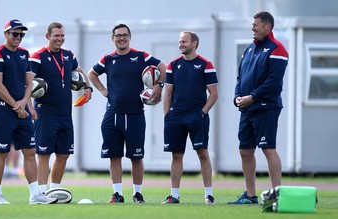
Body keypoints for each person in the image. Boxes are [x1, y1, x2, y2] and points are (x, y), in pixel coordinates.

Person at [87, 23, 166, 204]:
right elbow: (92, 74)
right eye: (118, 35)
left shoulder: (141, 56)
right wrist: (103, 91)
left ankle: (137, 194)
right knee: (114, 156)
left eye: (124, 35)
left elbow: (164, 68)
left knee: (136, 156)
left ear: (130, 37)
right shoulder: (108, 59)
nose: (121, 38)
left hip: (135, 114)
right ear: (112, 38)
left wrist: (158, 85)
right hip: (112, 115)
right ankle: (117, 194)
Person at [0, 19, 57, 205]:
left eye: (21, 34)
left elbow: (30, 83)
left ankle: (34, 195)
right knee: (2, 152)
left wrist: (24, 103)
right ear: (6, 34)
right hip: (3, 111)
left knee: (30, 150)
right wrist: (16, 105)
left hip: (22, 111)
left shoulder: (25, 54)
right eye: (15, 34)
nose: (18, 37)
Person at [228, 11, 289, 204]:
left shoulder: (277, 49)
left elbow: (274, 82)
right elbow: (241, 76)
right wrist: (237, 96)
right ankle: (250, 195)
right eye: (252, 25)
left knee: (268, 148)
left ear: (267, 27)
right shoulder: (249, 49)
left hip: (265, 106)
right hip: (247, 107)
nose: (252, 28)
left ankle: (277, 195)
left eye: (256, 25)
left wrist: (252, 97)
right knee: (245, 150)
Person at [30, 22, 92, 195]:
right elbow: (27, 83)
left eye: (62, 36)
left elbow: (78, 70)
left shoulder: (68, 55)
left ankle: (54, 189)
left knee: (64, 153)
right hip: (45, 113)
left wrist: (88, 87)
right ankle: (41, 192)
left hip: (65, 114)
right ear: (48, 36)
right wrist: (30, 108)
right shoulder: (38, 56)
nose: (60, 39)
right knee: (44, 154)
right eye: (56, 36)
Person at [161, 31, 218, 205]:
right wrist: (167, 116)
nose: (181, 44)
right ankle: (174, 195)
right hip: (176, 116)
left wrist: (202, 112)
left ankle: (208, 195)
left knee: (202, 153)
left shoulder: (205, 64)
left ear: (194, 44)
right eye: (179, 42)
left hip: (196, 115)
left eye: (184, 41)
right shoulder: (172, 65)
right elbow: (168, 93)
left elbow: (214, 94)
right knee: (176, 155)